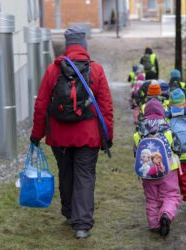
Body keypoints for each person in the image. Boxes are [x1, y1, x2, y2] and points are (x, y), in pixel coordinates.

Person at [29, 24, 113, 239]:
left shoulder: (53, 70)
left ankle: (69, 213)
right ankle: (82, 224)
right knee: (85, 176)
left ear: (67, 46)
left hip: (59, 136)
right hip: (88, 136)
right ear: (84, 44)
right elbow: (105, 107)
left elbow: (41, 106)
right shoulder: (96, 70)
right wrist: (107, 136)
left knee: (66, 173)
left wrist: (37, 135)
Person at [133, 99, 181, 236]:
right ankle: (166, 214)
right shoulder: (168, 131)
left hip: (147, 172)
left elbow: (136, 153)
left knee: (151, 198)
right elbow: (178, 149)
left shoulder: (139, 133)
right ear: (162, 113)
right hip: (168, 171)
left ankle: (154, 225)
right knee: (170, 195)